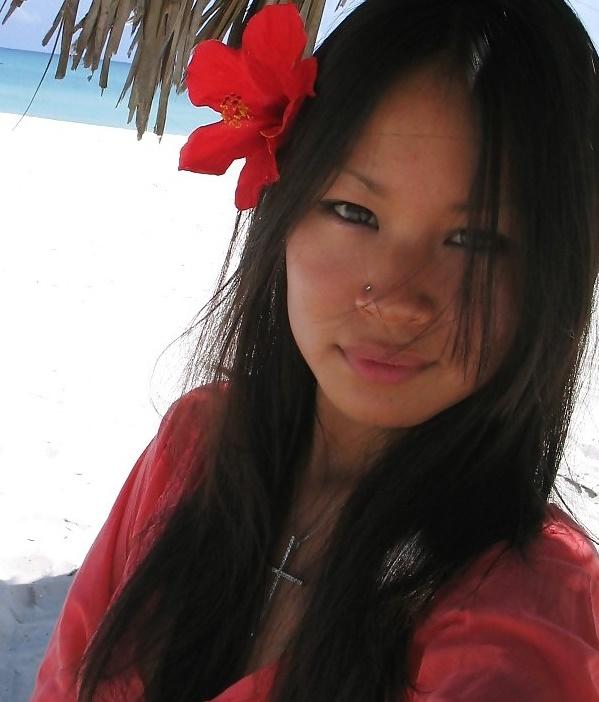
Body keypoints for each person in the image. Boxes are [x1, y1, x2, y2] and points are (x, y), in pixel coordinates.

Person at [31, 0, 599, 700]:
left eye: (475, 240)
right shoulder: (198, 444)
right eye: (354, 212)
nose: (395, 299)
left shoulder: (526, 601)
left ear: (556, 272)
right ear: (285, 209)